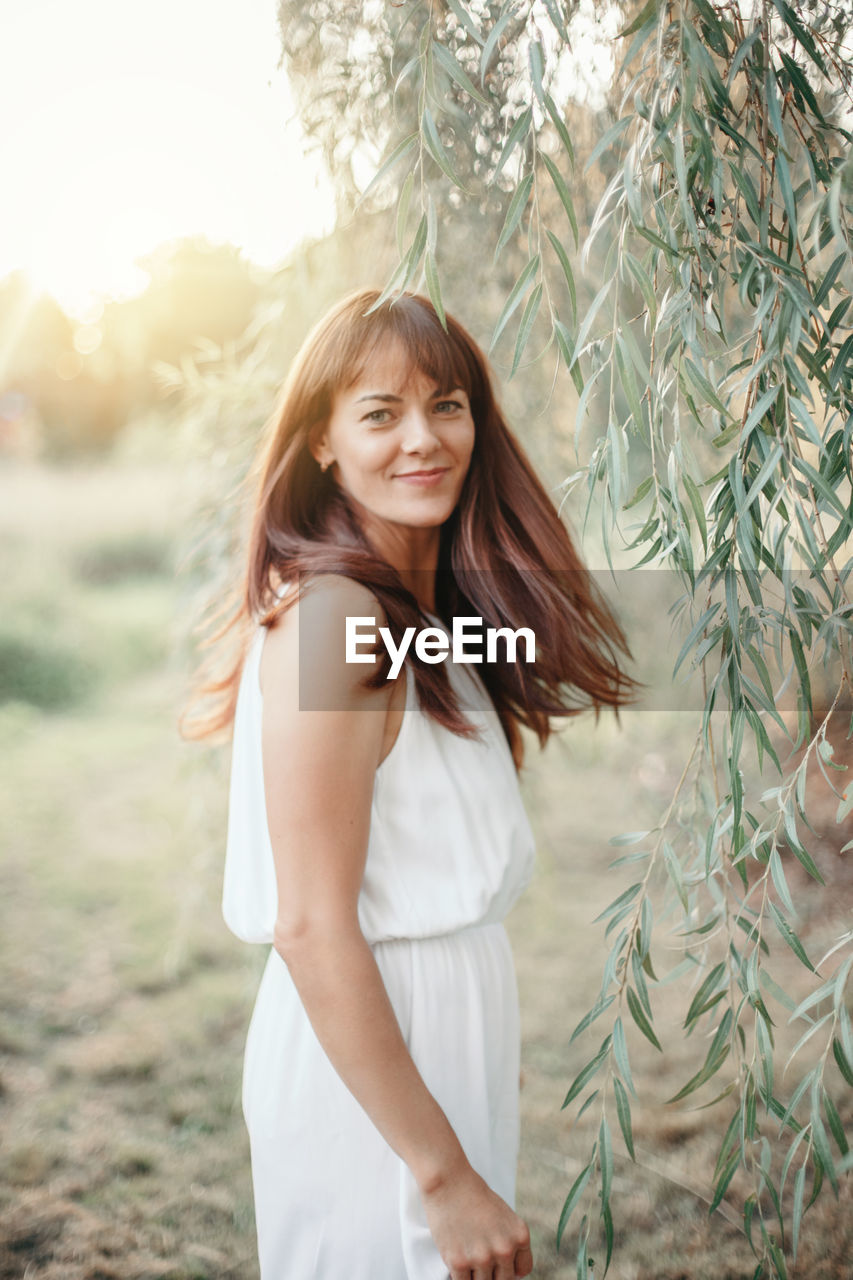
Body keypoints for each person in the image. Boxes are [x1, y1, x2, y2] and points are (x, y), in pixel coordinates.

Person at [184, 289, 636, 1279]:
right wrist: (441, 1171)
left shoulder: (413, 613)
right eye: (379, 413)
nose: (422, 439)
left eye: (446, 403)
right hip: (370, 1055)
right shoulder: (335, 617)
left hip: (429, 1032)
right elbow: (308, 920)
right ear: (321, 442)